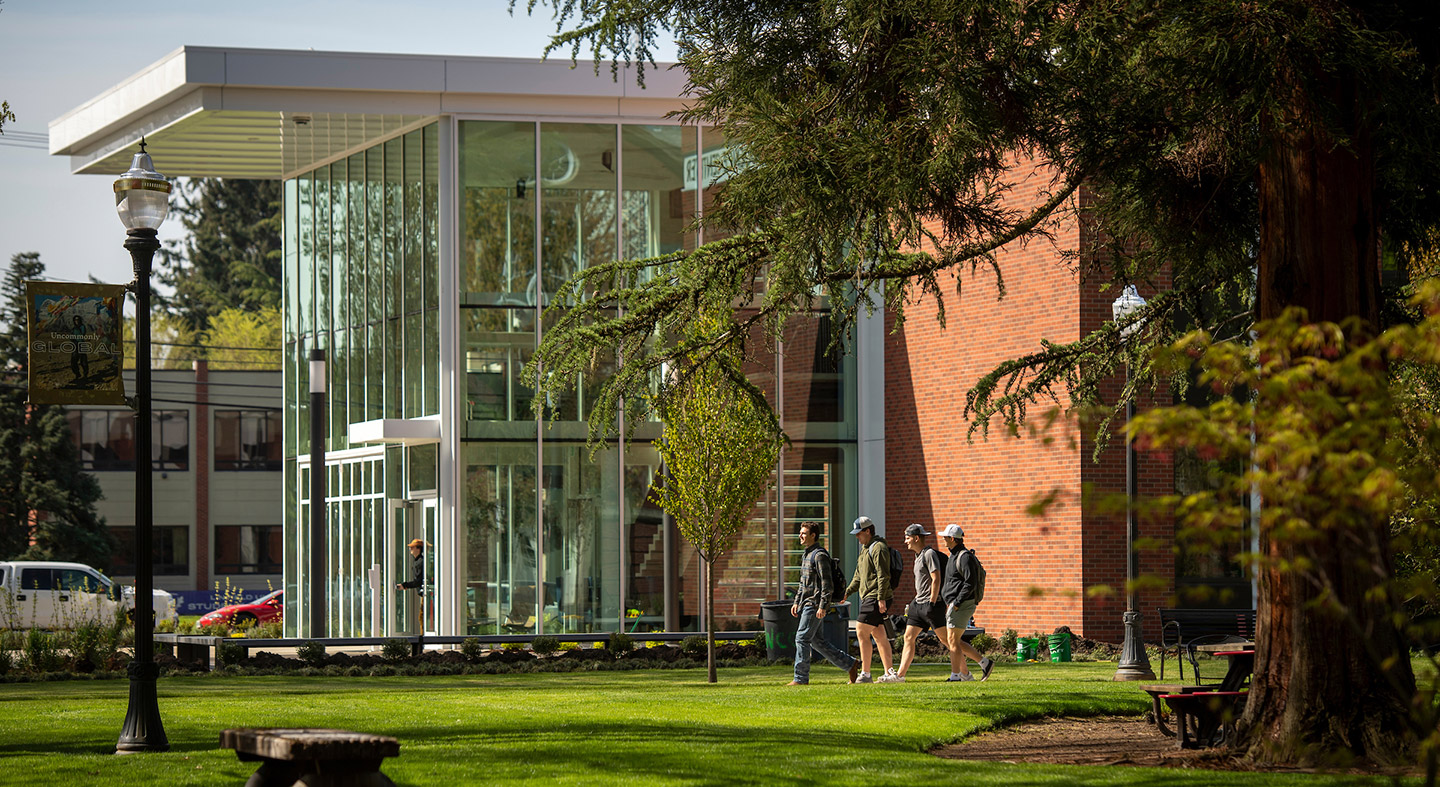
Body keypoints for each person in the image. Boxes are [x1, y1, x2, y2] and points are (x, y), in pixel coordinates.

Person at [787, 521, 859, 685]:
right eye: (800, 532)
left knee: (801, 638)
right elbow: (802, 583)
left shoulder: (820, 556)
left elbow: (827, 585)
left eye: (804, 533)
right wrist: (796, 602)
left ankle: (800, 678)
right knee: (817, 642)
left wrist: (823, 606)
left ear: (813, 535)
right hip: (806, 603)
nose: (800, 535)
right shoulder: (806, 554)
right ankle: (850, 664)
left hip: (814, 605)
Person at [881, 523, 951, 682]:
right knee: (908, 637)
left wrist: (932, 601)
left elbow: (936, 578)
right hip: (918, 604)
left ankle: (969, 670)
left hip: (931, 605)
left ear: (916, 538)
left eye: (907, 538)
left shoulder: (929, 554)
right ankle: (900, 676)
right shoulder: (918, 555)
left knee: (947, 640)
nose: (905, 541)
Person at [842, 515, 895, 683]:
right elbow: (858, 576)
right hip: (868, 596)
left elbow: (883, 575)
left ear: (868, 531)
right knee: (879, 635)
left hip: (876, 596)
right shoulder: (864, 549)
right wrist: (847, 592)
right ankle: (890, 673)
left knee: (860, 631)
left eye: (859, 533)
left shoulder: (878, 547)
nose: (857, 537)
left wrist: (881, 599)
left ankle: (865, 673)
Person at [939, 524, 994, 682]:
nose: (943, 540)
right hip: (956, 603)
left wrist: (957, 602)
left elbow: (970, 583)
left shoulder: (964, 557)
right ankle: (985, 663)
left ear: (952, 539)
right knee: (954, 640)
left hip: (962, 604)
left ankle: (957, 676)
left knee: (952, 641)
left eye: (945, 537)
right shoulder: (954, 555)